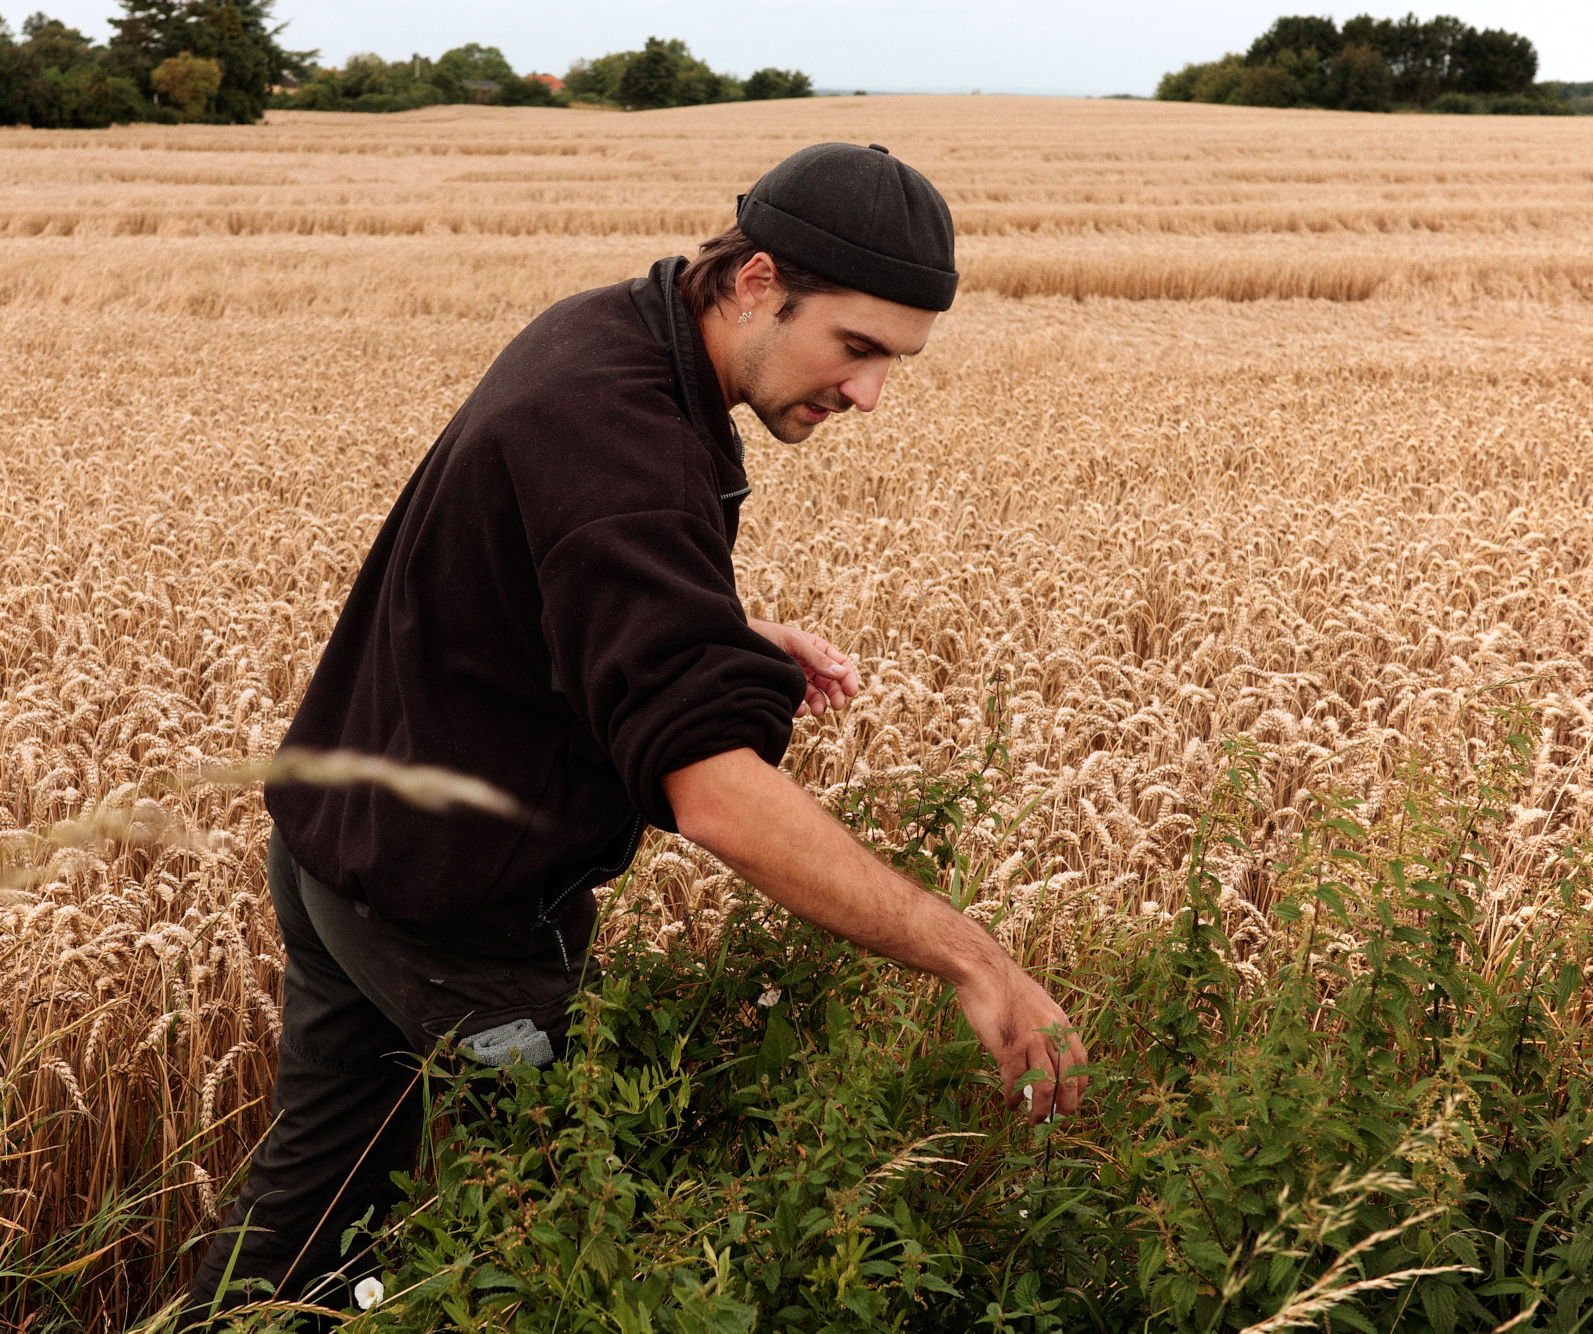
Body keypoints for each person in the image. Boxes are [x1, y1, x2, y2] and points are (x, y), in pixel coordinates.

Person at [182, 142, 1090, 1327]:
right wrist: (972, 956)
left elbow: (527, 560)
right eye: (855, 346)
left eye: (892, 362)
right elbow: (710, 791)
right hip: (447, 911)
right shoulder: (623, 436)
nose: (867, 393)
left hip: (337, 847)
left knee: (302, 1217)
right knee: (596, 1225)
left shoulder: (611, 329)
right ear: (757, 282)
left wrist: (713, 628)